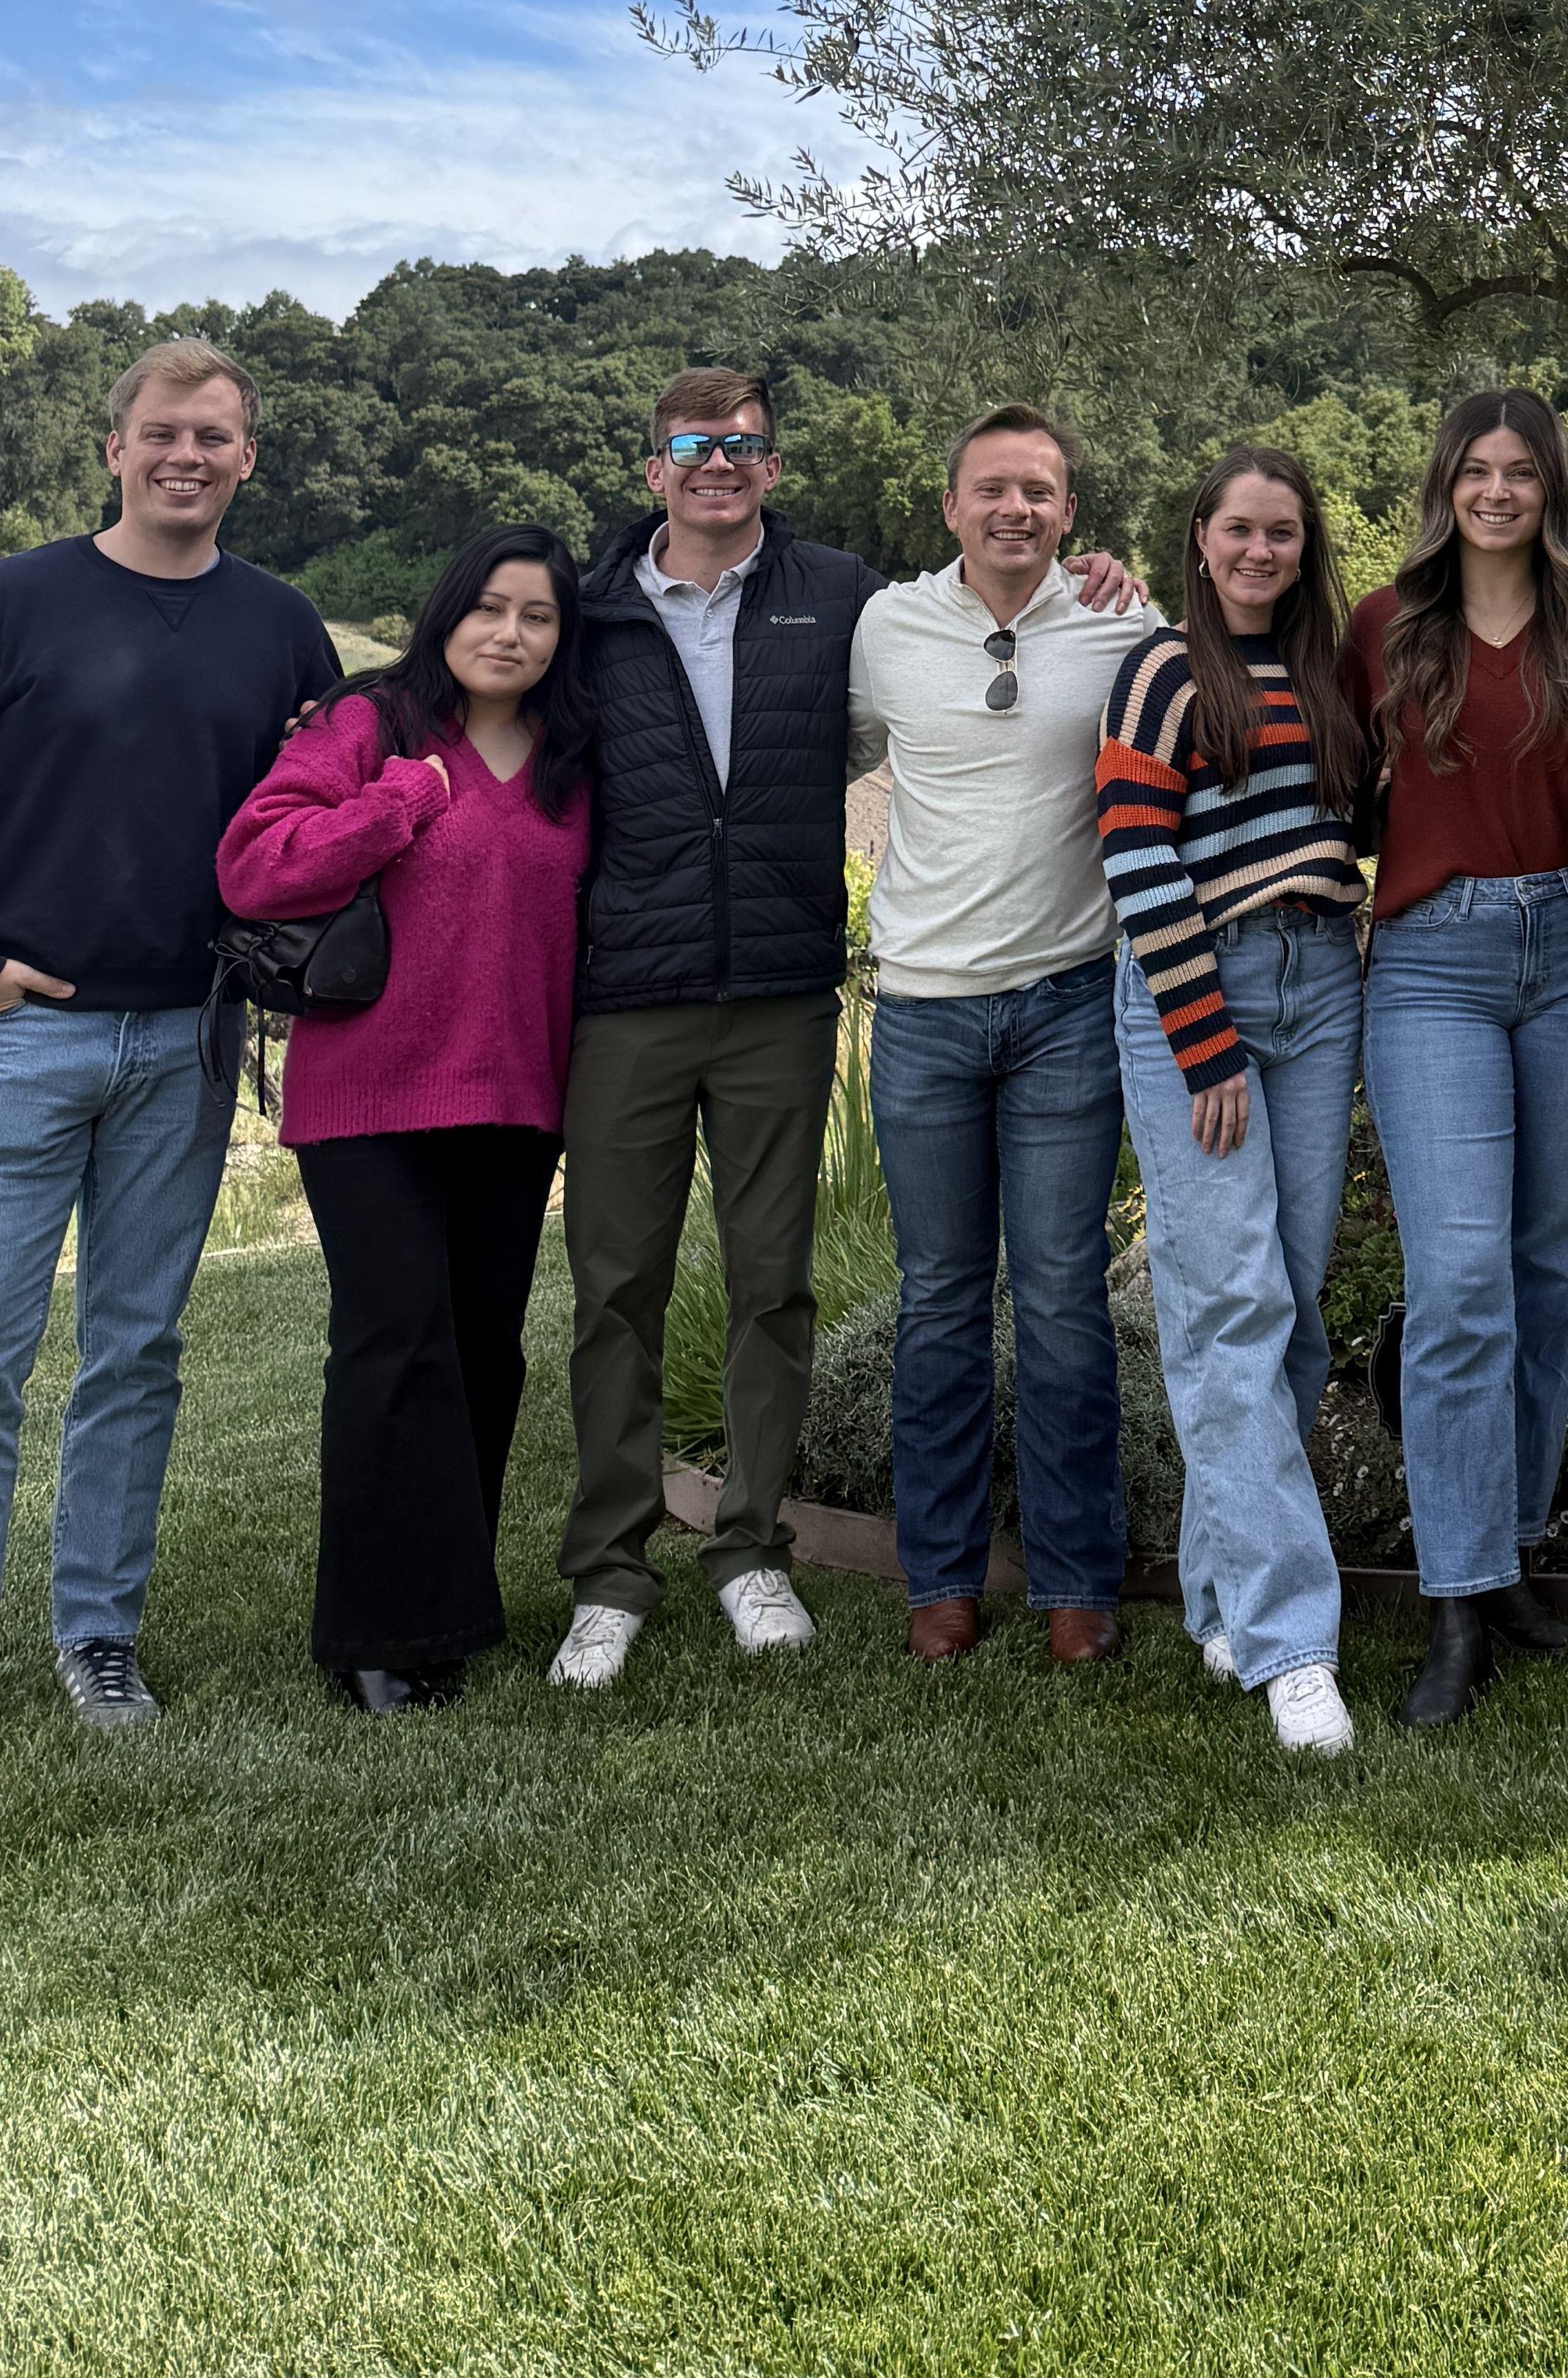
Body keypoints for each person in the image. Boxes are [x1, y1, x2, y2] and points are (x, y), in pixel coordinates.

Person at [0, 342, 343, 1759]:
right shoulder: (11, 605)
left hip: (187, 1041)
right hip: (20, 1041)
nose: (188, 456)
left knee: (135, 1352)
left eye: (216, 438)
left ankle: (97, 1639)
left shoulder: (283, 628)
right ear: (114, 448)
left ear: (248, 460)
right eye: (163, 433)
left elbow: (316, 808)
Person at [214, 528, 595, 1711]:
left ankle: (449, 1611)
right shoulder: (374, 727)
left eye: (536, 616)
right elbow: (255, 865)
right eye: (487, 608)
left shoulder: (572, 760)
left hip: (517, 1097)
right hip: (370, 1095)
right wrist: (400, 803)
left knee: (483, 1351)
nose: (509, 634)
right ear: (444, 617)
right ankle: (375, 1638)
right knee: (394, 1347)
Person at [545, 370, 884, 1689]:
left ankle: (748, 1551)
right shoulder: (589, 609)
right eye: (694, 446)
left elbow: (970, 628)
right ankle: (610, 1574)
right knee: (613, 1288)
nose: (719, 465)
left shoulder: (841, 594)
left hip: (780, 994)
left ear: (774, 469)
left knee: (771, 1284)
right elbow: (472, 688)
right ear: (655, 472)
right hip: (626, 995)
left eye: (744, 446)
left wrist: (1093, 578)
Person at [1343, 386, 1568, 1730]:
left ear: (1554, 486)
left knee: (1548, 1269)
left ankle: (1515, 1552)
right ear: (1447, 483)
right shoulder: (1383, 627)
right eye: (1479, 468)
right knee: (1460, 1280)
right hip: (1431, 964)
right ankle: (1455, 1603)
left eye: (1524, 470)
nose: (1500, 490)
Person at [846, 408, 1163, 1666]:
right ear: (951, 509)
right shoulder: (888, 628)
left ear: (1070, 512)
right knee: (937, 1303)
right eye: (993, 490)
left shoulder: (1120, 627)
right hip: (922, 1008)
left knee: (1065, 1299)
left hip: (1070, 1004)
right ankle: (943, 1576)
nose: (1015, 509)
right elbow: (833, 754)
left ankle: (1078, 1581)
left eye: (1039, 490)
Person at [1094, 444, 1374, 1756]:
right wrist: (1202, 1042)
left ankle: (1218, 1596)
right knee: (1228, 1305)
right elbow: (1137, 857)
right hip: (1197, 998)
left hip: (1324, 984)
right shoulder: (1158, 672)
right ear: (1200, 537)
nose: (1263, 551)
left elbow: (1350, 823)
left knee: (1290, 1305)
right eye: (1240, 530)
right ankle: (1290, 1642)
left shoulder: (1323, 674)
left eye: (1284, 532)